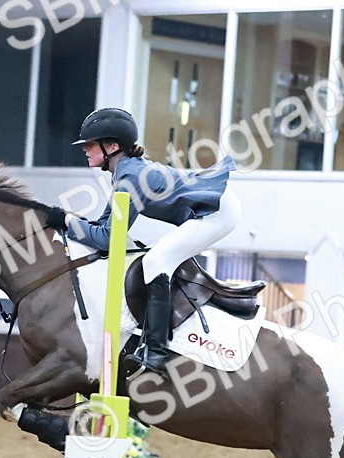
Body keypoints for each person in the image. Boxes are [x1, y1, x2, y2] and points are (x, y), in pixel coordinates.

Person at [48, 108, 241, 376]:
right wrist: (70, 222)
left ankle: (157, 352)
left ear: (112, 147)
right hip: (215, 206)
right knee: (157, 258)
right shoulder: (124, 173)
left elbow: (107, 239)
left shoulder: (130, 178)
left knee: (156, 261)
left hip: (217, 211)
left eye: (91, 144)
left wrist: (68, 221)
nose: (85, 149)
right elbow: (105, 226)